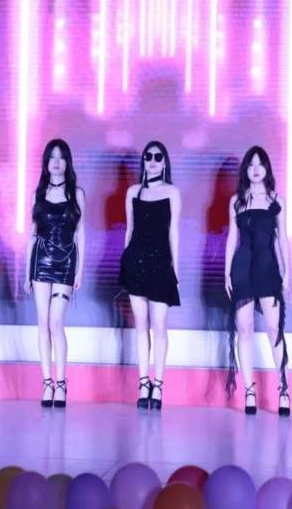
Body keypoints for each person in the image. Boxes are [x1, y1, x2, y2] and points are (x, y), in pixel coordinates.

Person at [224, 146, 291, 415]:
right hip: (242, 267)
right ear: (245, 169)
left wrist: (287, 272)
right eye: (251, 164)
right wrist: (226, 272)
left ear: (267, 169)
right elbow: (232, 238)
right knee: (245, 328)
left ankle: (283, 389)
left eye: (260, 164)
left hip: (267, 267)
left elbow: (282, 239)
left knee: (274, 329)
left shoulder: (276, 200)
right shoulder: (237, 201)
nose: (255, 169)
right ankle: (249, 391)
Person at [119, 141, 181, 410]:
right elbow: (129, 229)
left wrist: (175, 268)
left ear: (165, 162)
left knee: (159, 326)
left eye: (158, 156)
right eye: (148, 156)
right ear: (143, 161)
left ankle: (159, 385)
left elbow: (173, 232)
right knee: (141, 326)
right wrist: (125, 263)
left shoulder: (172, 192)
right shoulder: (133, 192)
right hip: (136, 262)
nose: (153, 161)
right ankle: (144, 383)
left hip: (161, 265)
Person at [24, 139, 85, 408]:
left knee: (56, 324)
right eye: (52, 157)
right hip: (41, 262)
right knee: (43, 323)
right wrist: (26, 273)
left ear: (67, 162)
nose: (57, 162)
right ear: (46, 162)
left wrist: (80, 271)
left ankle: (61, 383)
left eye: (61, 157)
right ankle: (47, 383)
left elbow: (81, 235)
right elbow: (32, 235)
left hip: (66, 263)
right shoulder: (38, 194)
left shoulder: (77, 194)